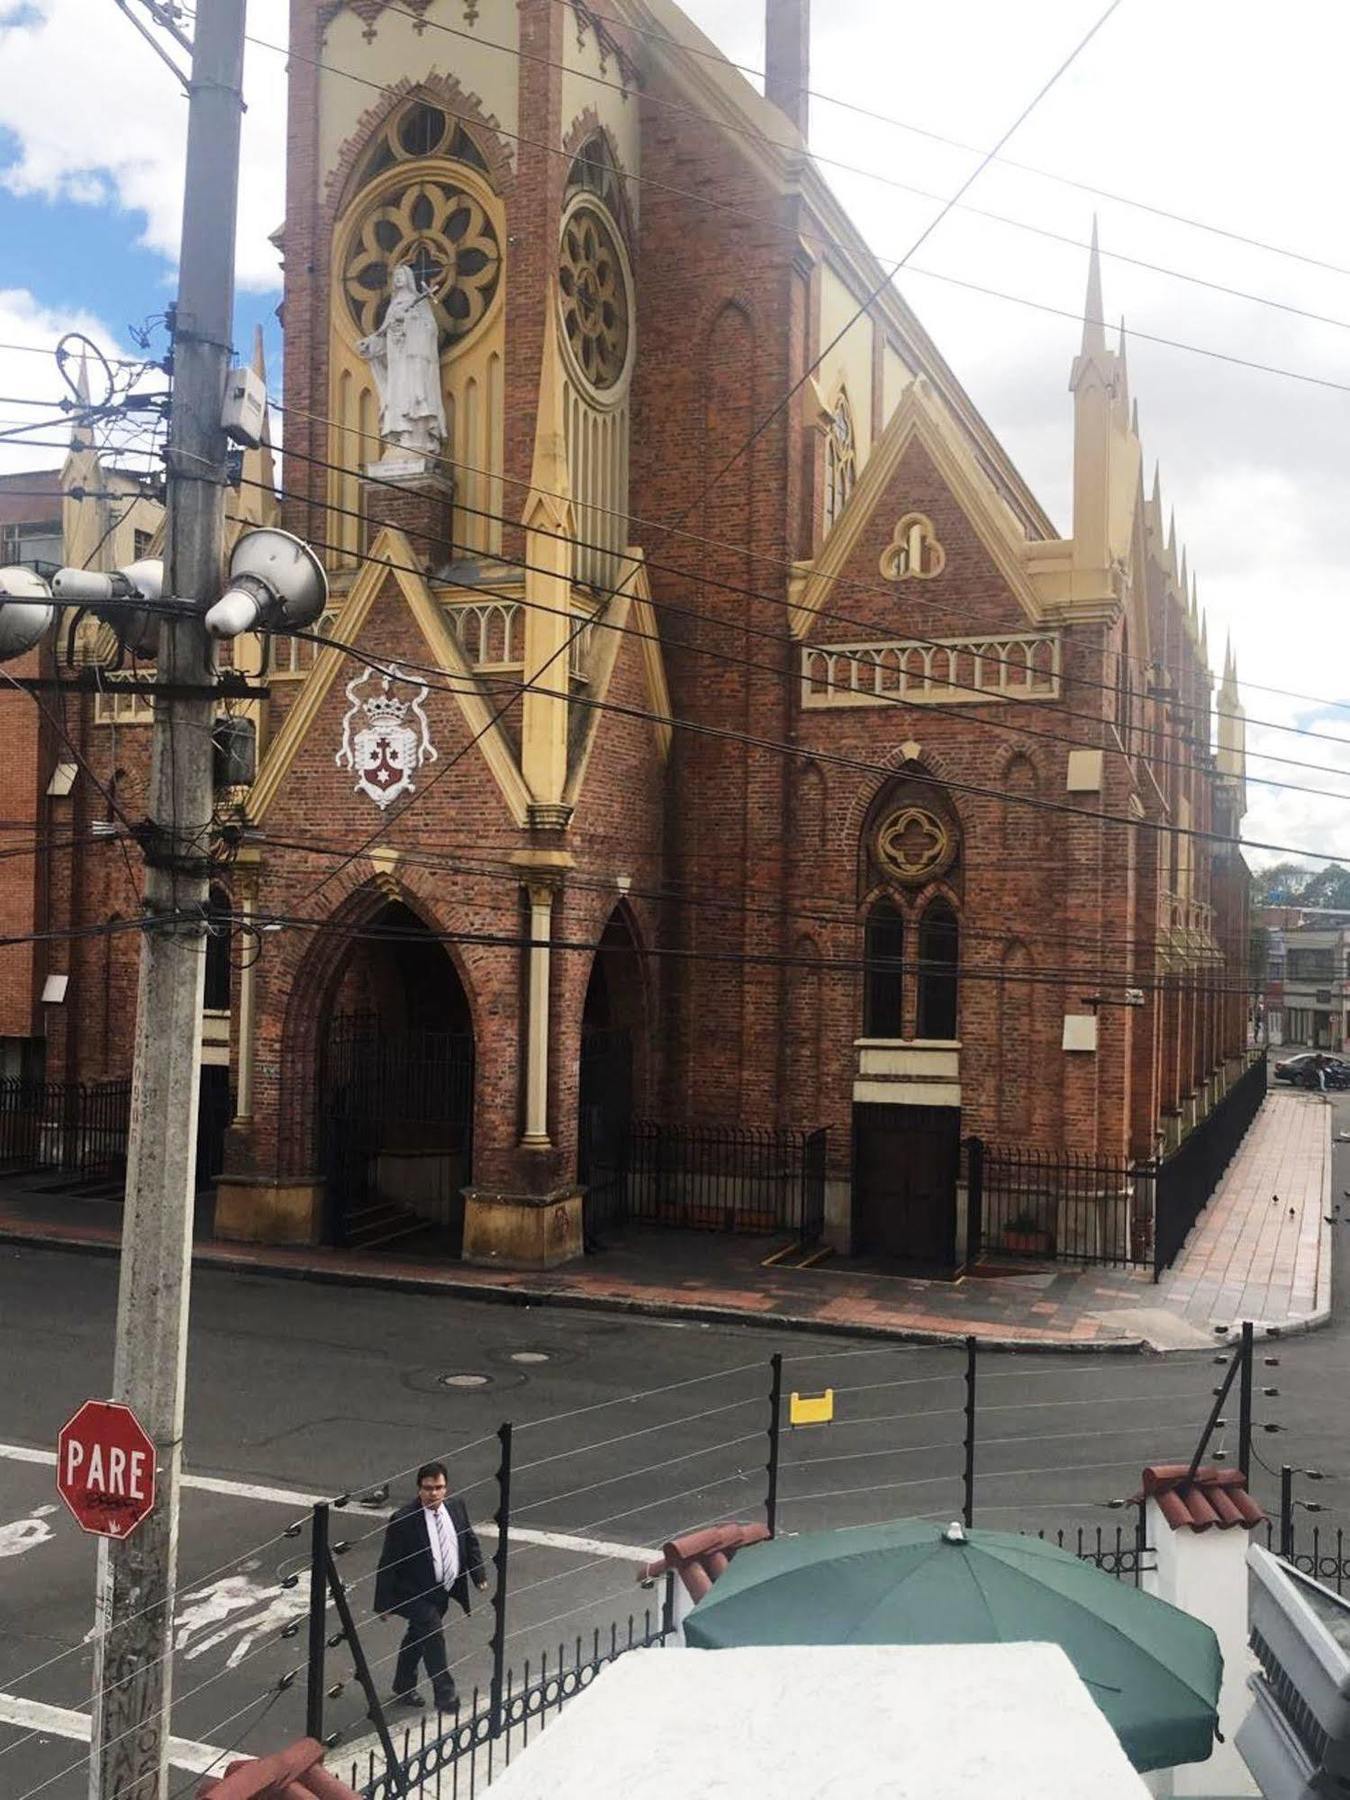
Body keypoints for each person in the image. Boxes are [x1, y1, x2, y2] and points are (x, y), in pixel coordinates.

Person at [374, 1460, 488, 1714]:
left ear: (446, 1488)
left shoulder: (456, 1507)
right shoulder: (403, 1519)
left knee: (418, 1636)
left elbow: (469, 1540)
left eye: (438, 1487)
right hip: (413, 1592)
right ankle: (445, 1696)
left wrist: (477, 1573)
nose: (433, 1493)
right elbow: (388, 1562)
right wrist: (383, 1604)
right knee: (433, 1634)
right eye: (428, 1488)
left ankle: (403, 1686)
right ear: (419, 1489)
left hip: (442, 1590)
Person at [358, 263, 446, 462]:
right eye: (395, 276)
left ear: (408, 279)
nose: (398, 279)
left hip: (415, 362)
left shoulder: (418, 301)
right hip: (397, 365)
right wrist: (370, 345)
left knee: (415, 396)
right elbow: (383, 334)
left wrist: (409, 320)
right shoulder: (393, 305)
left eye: (401, 275)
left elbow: (430, 329)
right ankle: (399, 437)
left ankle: (418, 439)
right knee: (397, 398)